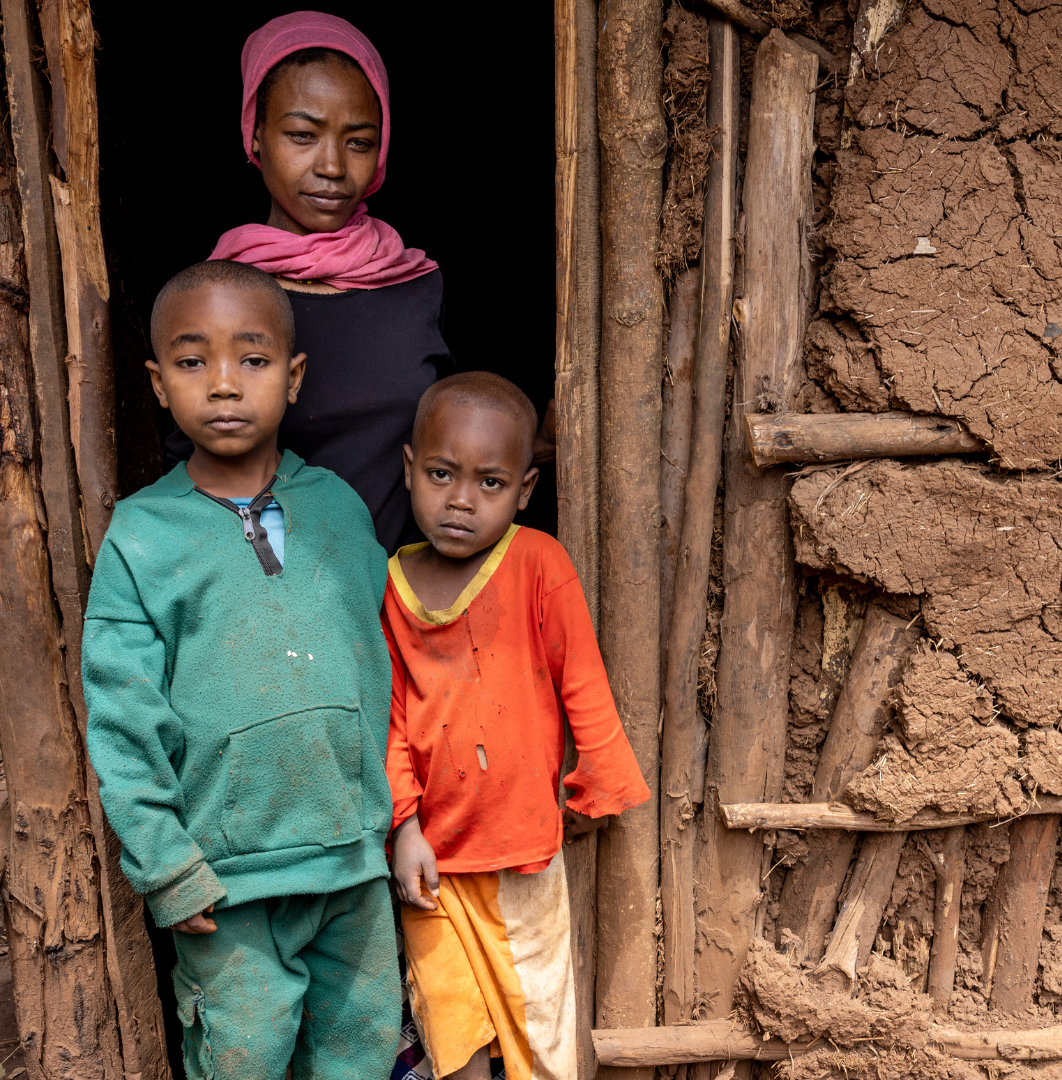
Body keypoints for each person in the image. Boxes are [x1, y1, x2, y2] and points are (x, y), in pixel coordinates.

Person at [83, 260, 399, 1079]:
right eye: (193, 362)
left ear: (293, 379)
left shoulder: (336, 507)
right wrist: (168, 867)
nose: (224, 384)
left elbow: (388, 665)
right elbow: (123, 718)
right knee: (243, 1054)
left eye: (252, 360)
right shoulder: (143, 536)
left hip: (354, 864)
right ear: (157, 384)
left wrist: (398, 822)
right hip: (227, 885)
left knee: (358, 1052)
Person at [385, 373, 649, 1079]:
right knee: (451, 1021)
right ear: (410, 468)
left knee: (537, 1025)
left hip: (519, 848)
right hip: (431, 862)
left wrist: (595, 785)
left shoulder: (538, 563)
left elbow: (582, 680)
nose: (461, 500)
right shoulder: (389, 586)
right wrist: (403, 825)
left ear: (526, 489)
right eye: (441, 475)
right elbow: (387, 718)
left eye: (490, 483)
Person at [194, 12, 451, 551]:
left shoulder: (415, 285)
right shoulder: (217, 296)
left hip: (402, 605)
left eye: (359, 142)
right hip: (270, 604)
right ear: (256, 135)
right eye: (302, 136)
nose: (332, 166)